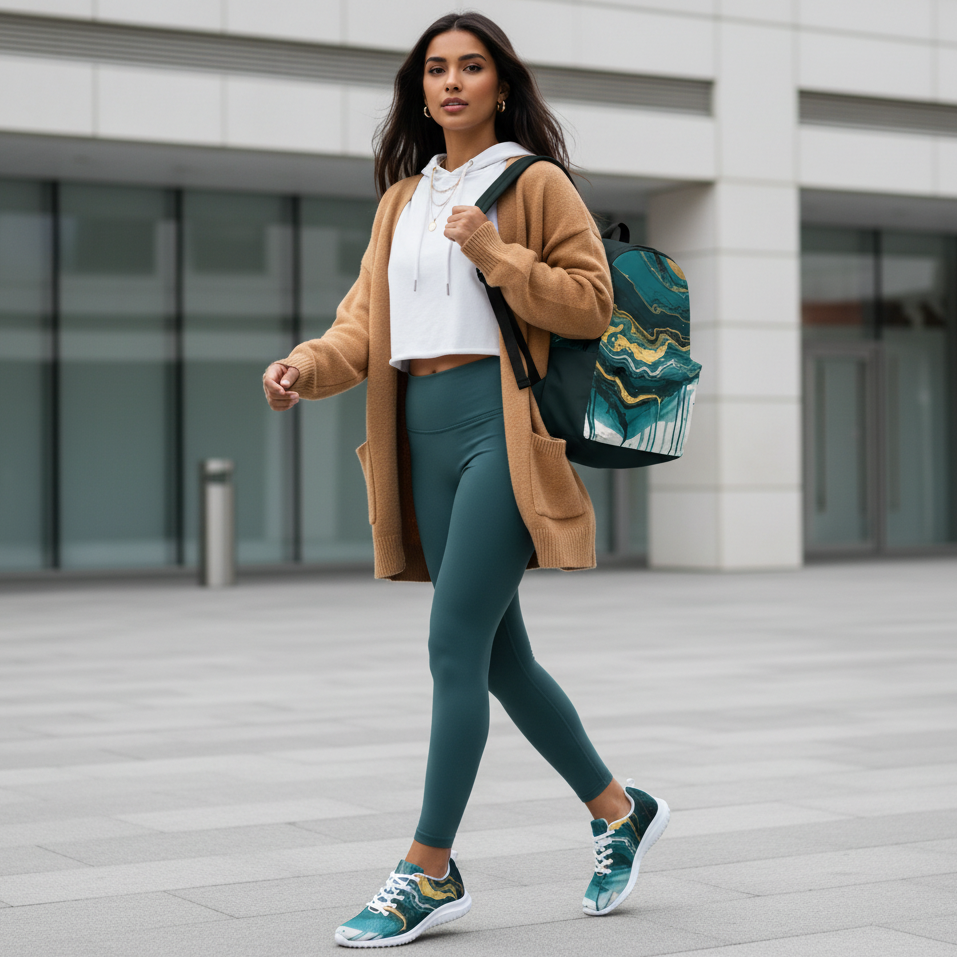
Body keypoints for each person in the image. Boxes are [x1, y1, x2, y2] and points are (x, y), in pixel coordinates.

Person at [262, 12, 669, 948]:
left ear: (499, 84)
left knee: (452, 646)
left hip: (501, 431)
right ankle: (618, 809)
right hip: (421, 432)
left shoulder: (534, 181)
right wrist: (303, 368)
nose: (451, 83)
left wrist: (495, 253)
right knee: (498, 657)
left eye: (470, 67)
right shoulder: (400, 200)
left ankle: (428, 870)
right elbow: (362, 326)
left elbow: (591, 302)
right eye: (436, 69)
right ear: (420, 91)